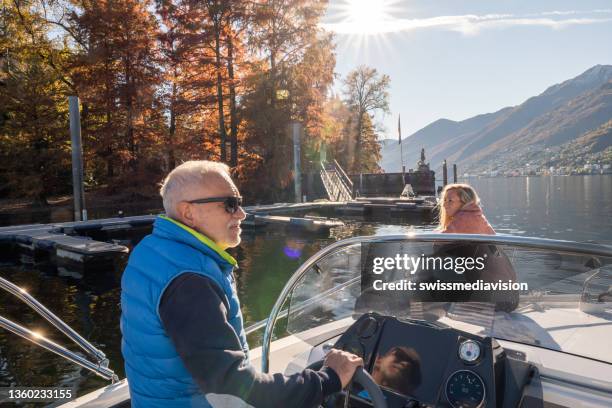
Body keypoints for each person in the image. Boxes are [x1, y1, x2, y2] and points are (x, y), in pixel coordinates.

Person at [120, 160, 363, 408]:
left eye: (239, 203)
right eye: (230, 205)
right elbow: (233, 387)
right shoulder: (191, 281)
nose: (242, 214)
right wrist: (328, 378)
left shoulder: (152, 251)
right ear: (188, 213)